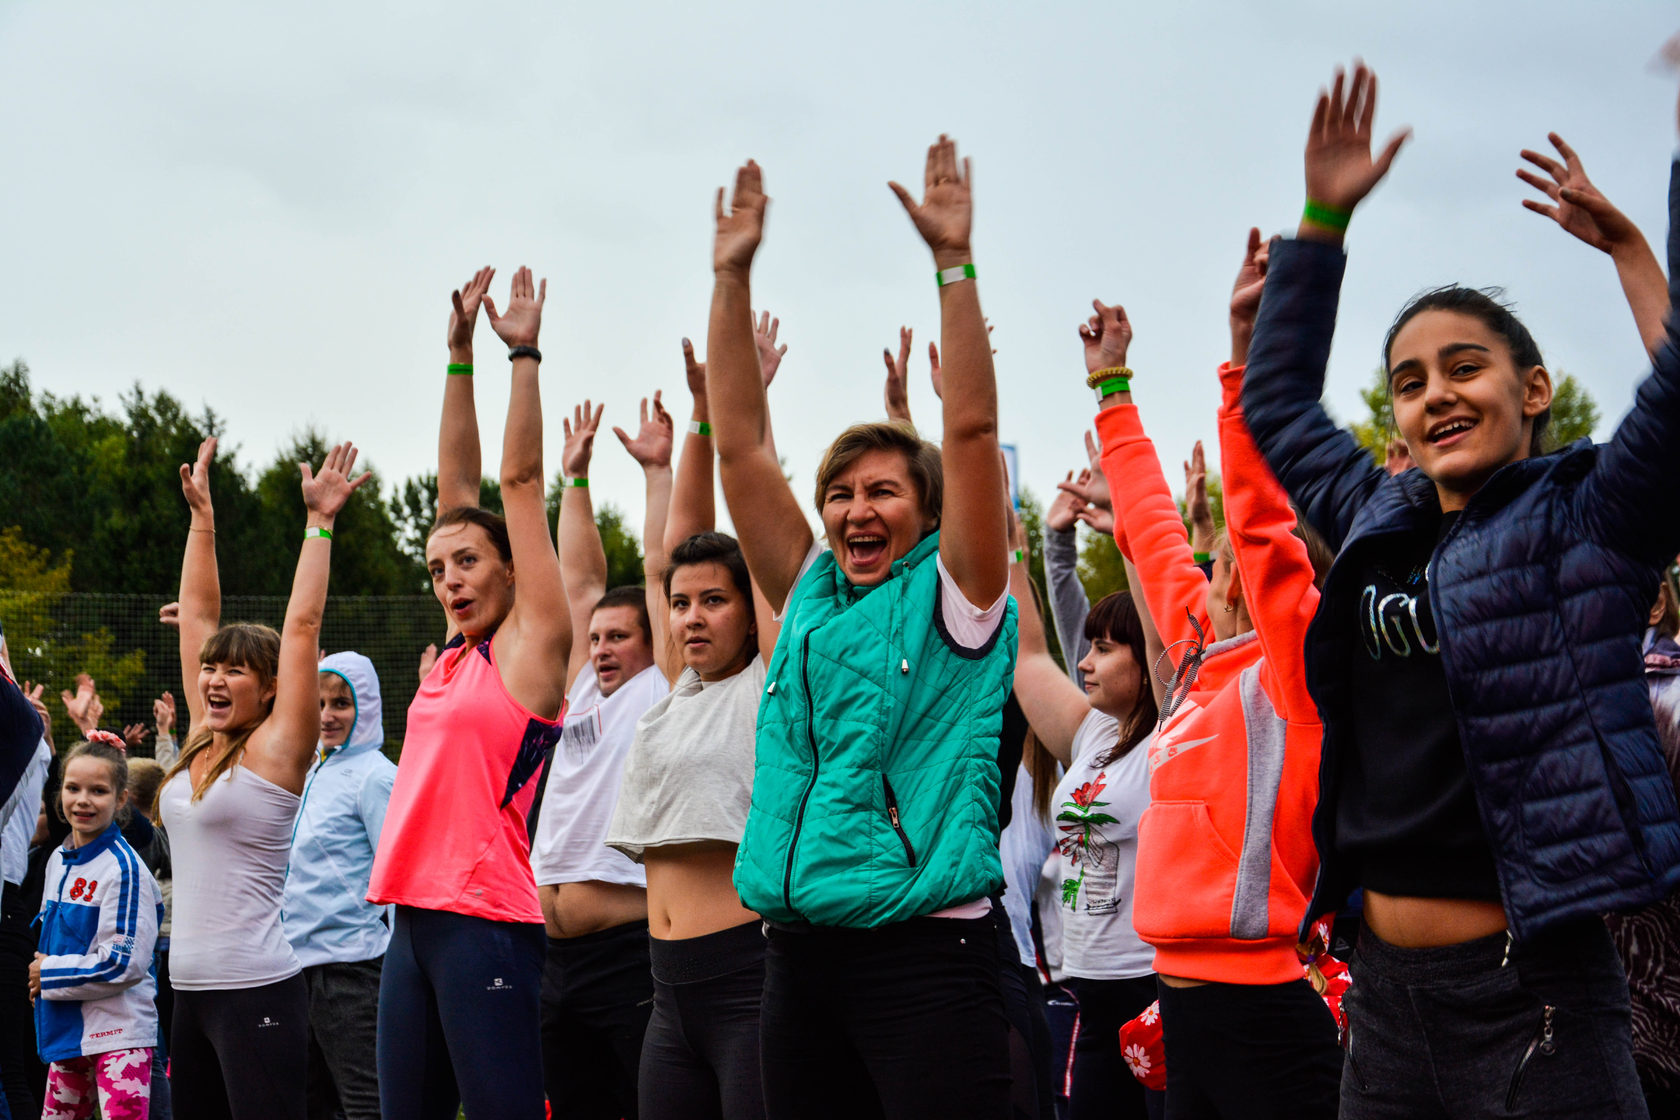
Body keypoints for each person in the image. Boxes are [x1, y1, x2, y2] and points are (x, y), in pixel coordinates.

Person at [1240, 62, 1680, 1118]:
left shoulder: (1589, 523)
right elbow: (1278, 402)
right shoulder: (1377, 520)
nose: (1436, 390)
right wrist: (1320, 223)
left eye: (1465, 365)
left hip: (1538, 1003)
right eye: (1408, 379)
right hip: (1386, 1003)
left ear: (1533, 391)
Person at [709, 137, 1018, 1118]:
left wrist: (952, 265)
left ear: (926, 511)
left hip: (924, 956)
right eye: (838, 493)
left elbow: (967, 435)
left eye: (881, 490)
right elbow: (743, 447)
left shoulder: (958, 597)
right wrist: (730, 273)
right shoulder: (807, 595)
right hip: (800, 955)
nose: (854, 511)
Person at [1088, 243, 1340, 1119]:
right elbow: (1153, 529)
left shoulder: (1293, 672)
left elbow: (1261, 521)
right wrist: (1112, 390)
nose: (1225, 559)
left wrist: (1247, 361)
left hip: (1267, 1013)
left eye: (1240, 554)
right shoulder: (1198, 657)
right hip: (1183, 1006)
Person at [367, 266, 571, 1120]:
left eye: (469, 563)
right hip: (412, 921)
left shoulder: (529, 647)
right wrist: (456, 356)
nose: (450, 580)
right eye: (437, 569)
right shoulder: (458, 654)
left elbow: (514, 486)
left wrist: (519, 353)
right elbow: (459, 494)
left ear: (514, 571)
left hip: (485, 918)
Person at [603, 325, 785, 1120]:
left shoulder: (769, 687)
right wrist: (695, 422)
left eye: (715, 600)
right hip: (667, 995)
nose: (691, 617)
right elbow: (664, 555)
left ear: (753, 614)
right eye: (680, 605)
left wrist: (745, 411)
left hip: (750, 984)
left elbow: (770, 542)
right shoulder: (677, 689)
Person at [162, 436, 368, 1120]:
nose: (215, 680)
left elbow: (302, 625)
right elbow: (196, 617)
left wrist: (320, 524)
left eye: (235, 671)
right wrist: (202, 519)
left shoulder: (279, 751)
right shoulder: (201, 737)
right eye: (211, 669)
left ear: (272, 688)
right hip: (187, 995)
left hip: (256, 992)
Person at [531, 395, 674, 1119]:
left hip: (628, 954)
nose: (602, 646)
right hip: (556, 961)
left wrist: (658, 474)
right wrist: (576, 478)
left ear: (652, 643)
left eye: (620, 636)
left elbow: (656, 572)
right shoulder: (585, 687)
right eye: (597, 637)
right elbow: (580, 582)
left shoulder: (659, 690)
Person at [1007, 504, 1159, 1120]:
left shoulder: (1173, 734)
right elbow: (1029, 659)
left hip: (1155, 996)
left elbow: (1164, 623)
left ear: (1146, 659)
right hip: (1091, 996)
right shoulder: (1096, 733)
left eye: (1103, 648)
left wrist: (1128, 519)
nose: (1085, 662)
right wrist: (1012, 556)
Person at [282, 652, 395, 1120]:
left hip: (352, 969)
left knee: (366, 1103)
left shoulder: (377, 776)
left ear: (366, 707)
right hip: (296, 968)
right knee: (309, 1103)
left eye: (342, 703)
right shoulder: (311, 772)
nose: (327, 715)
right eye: (320, 702)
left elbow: (395, 874)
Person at [32, 733, 163, 1120]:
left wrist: (47, 974)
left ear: (121, 799)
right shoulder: (58, 858)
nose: (83, 800)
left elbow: (123, 964)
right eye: (73, 788)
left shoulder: (124, 870)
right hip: (68, 1034)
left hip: (120, 1038)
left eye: (99, 790)